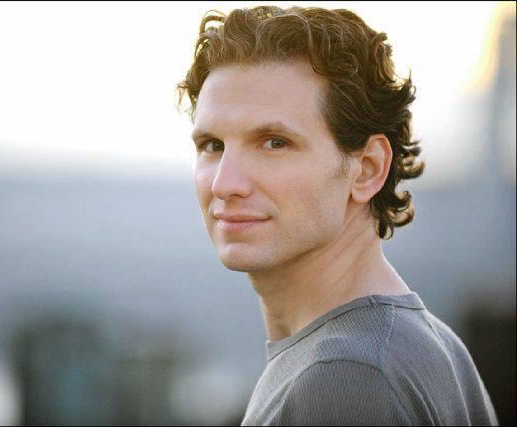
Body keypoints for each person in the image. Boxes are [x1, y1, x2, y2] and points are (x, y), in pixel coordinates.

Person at [176, 5, 498, 426]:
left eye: (275, 142)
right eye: (212, 145)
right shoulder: (419, 345)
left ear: (367, 169)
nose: (225, 183)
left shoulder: (348, 376)